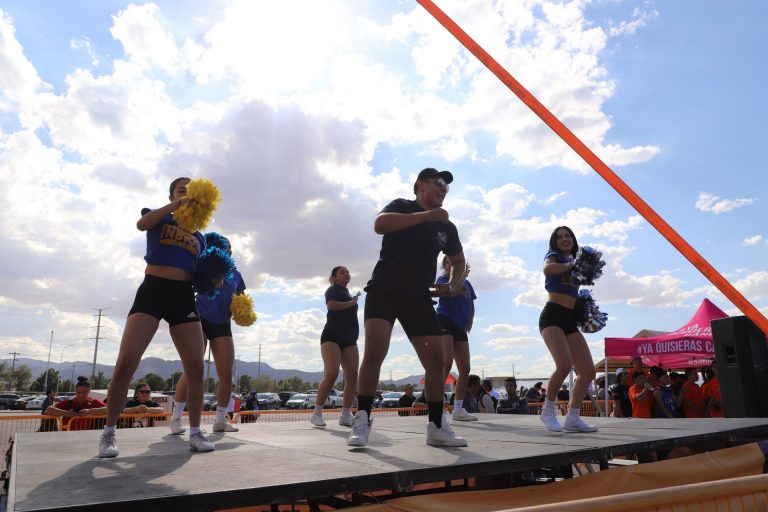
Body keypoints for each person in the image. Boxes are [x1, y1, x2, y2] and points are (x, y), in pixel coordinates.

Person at [348, 168, 467, 448]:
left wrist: (453, 285)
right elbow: (380, 225)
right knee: (375, 352)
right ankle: (362, 419)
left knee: (436, 360)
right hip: (384, 288)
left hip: (418, 295)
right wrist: (427, 216)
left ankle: (436, 426)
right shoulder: (402, 206)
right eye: (439, 183)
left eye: (447, 187)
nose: (444, 189)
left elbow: (459, 260)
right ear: (421, 185)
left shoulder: (447, 227)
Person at [98, 177, 213, 458]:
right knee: (126, 363)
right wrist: (175, 206)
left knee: (196, 367)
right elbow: (142, 224)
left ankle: (195, 432)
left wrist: (214, 279)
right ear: (172, 195)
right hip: (152, 291)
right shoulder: (160, 216)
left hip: (183, 296)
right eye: (181, 190)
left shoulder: (200, 237)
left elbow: (200, 274)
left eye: (191, 192)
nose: (186, 194)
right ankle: (109, 432)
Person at [173, 234, 245, 435]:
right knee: (192, 369)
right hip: (200, 319)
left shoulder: (236, 275)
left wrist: (242, 310)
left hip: (222, 324)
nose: (229, 251)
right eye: (225, 247)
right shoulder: (203, 265)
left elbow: (240, 298)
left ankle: (220, 420)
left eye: (231, 248)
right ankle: (176, 418)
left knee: (226, 373)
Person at [538, 226, 599, 433]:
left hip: (569, 319)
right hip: (552, 317)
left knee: (588, 371)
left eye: (567, 236)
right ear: (554, 242)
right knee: (564, 365)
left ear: (573, 239)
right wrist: (570, 265)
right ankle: (547, 411)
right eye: (559, 237)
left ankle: (573, 417)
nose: (564, 239)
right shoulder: (553, 256)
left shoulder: (577, 261)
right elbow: (548, 269)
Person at [311, 266, 360, 428]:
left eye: (348, 272)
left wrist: (352, 301)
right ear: (334, 277)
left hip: (349, 338)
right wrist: (352, 303)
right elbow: (331, 305)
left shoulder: (348, 294)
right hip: (331, 336)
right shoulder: (332, 290)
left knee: (352, 375)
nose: (346, 273)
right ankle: (317, 413)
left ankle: (346, 414)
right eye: (342, 272)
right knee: (332, 374)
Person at [435, 256, 477, 422]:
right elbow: (450, 292)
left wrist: (470, 320)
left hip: (460, 325)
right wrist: (461, 276)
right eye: (448, 262)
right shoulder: (442, 280)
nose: (452, 265)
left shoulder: (468, 284)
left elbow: (471, 303)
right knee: (446, 362)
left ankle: (458, 408)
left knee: (465, 368)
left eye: (455, 263)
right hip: (444, 320)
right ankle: (437, 406)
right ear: (445, 265)